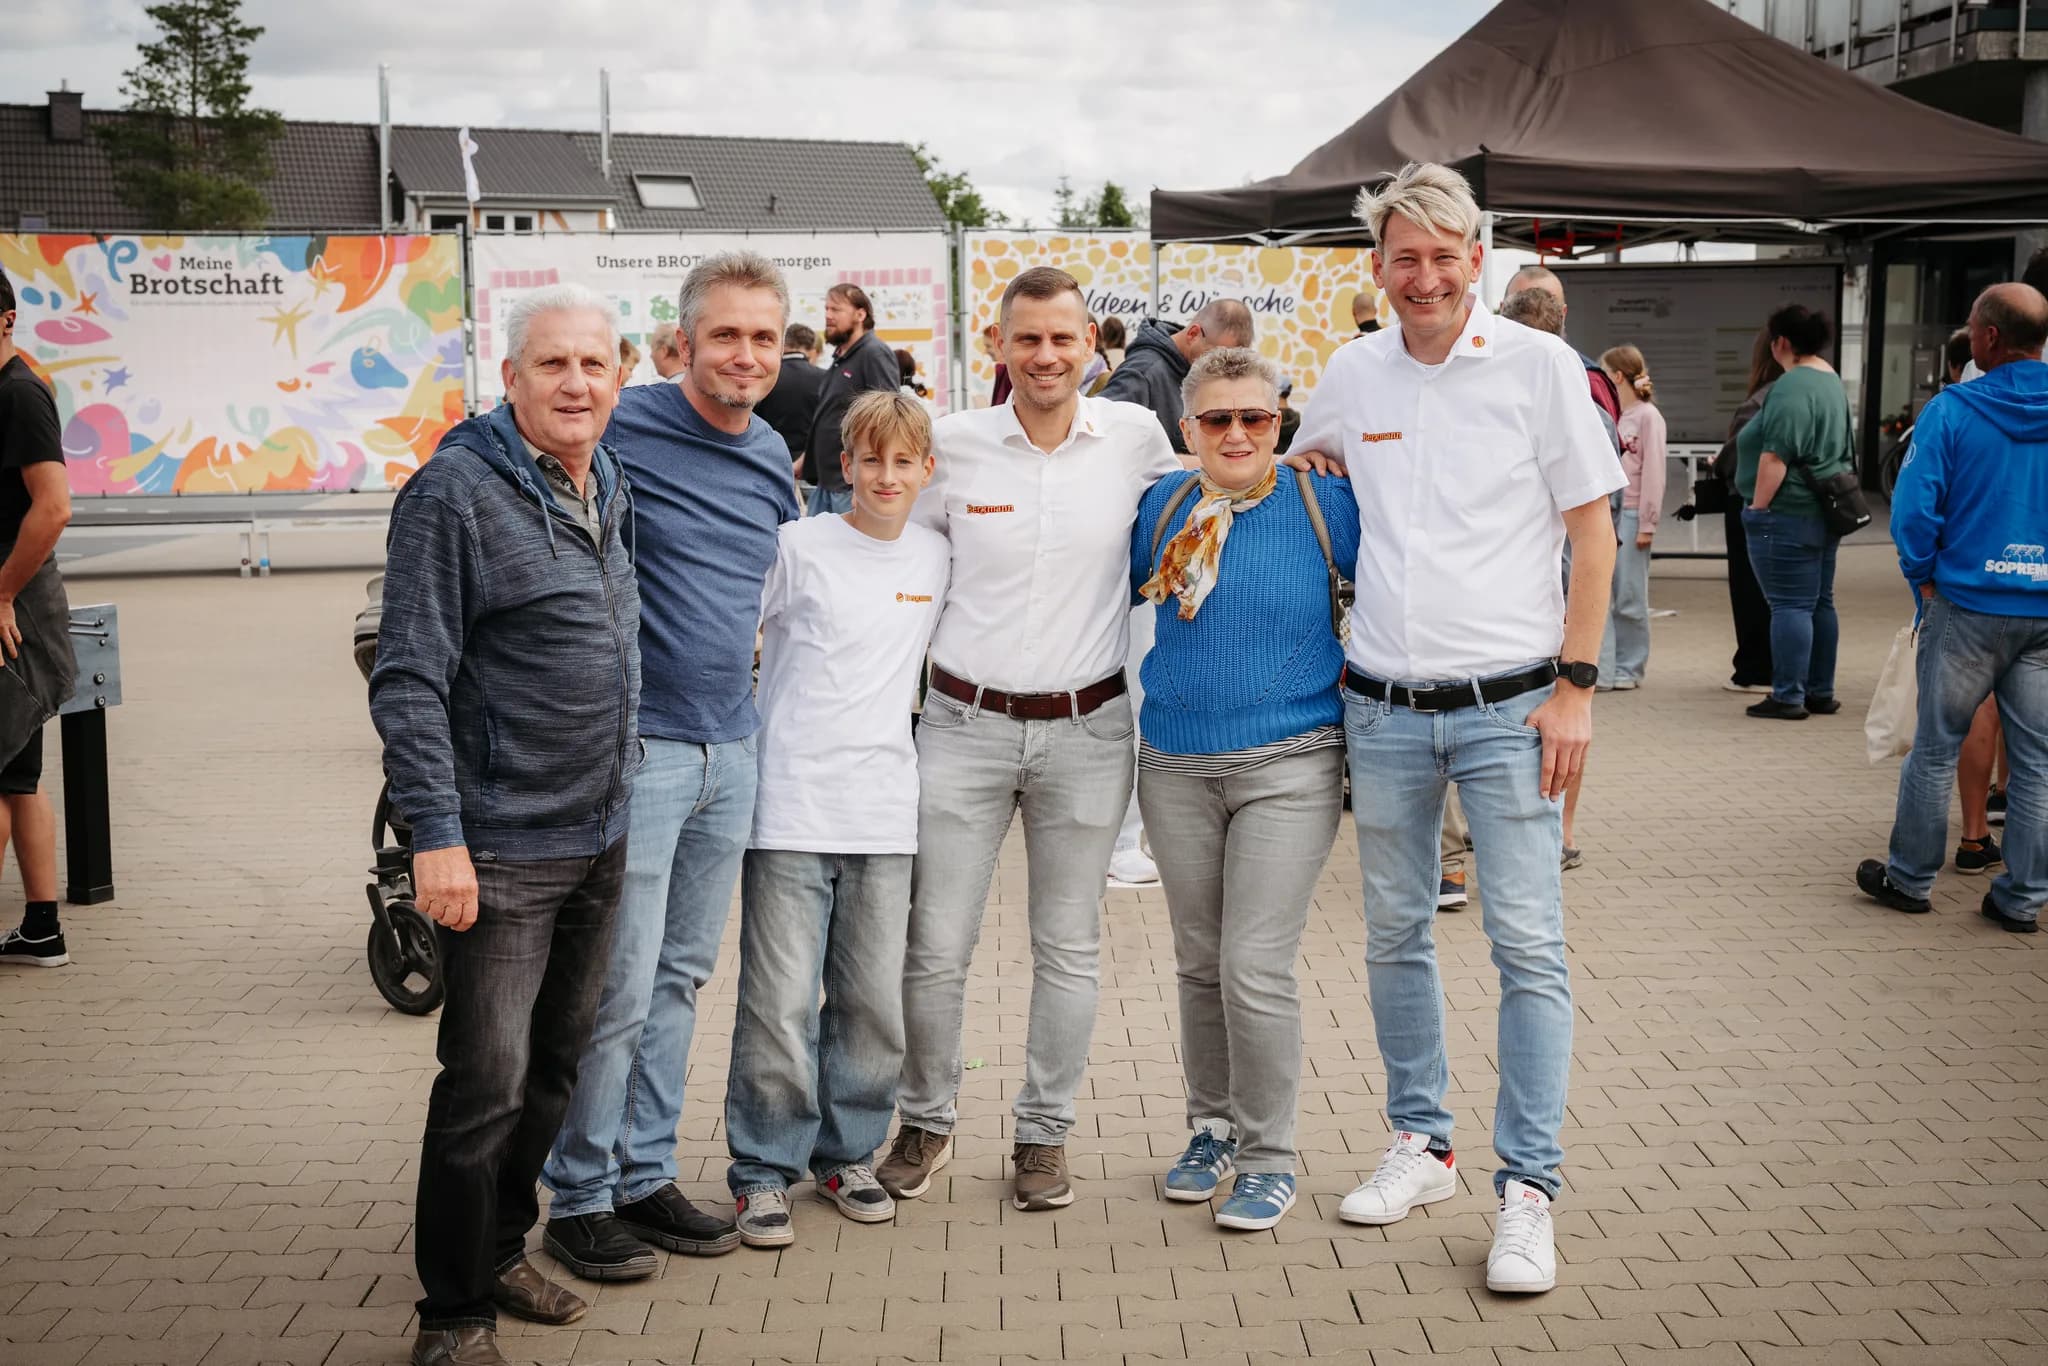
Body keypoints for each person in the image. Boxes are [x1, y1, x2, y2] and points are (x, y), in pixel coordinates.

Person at [1293, 162, 1622, 1296]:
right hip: (1379, 706)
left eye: (1443, 255)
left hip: (1511, 707)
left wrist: (1575, 686)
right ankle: (1420, 1145)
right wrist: (1307, 466)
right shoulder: (1350, 369)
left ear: (1474, 260)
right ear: (1377, 268)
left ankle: (1526, 1189)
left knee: (1525, 945)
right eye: (1403, 257)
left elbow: (1592, 537)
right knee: (1393, 934)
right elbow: (1297, 471)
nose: (1423, 276)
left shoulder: (1540, 370)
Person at [371, 284, 640, 1366]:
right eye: (553, 365)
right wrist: (435, 834)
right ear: (510, 378)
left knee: (553, 1068)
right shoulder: (453, 493)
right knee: (482, 1083)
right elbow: (407, 676)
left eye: (594, 364)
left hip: (599, 831)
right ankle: (451, 1316)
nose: (576, 383)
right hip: (499, 847)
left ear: (619, 375)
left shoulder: (601, 473)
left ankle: (500, 1250)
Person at [879, 266, 1182, 1212]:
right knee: (933, 945)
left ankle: (1043, 1135)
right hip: (963, 727)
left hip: (1088, 731)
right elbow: (898, 559)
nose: (1046, 357)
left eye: (1062, 339)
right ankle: (925, 1121)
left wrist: (1315, 455)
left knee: (1069, 948)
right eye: (1027, 341)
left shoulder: (1135, 438)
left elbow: (1213, 498)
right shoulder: (954, 446)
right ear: (998, 347)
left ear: (1093, 344)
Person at [542, 253, 801, 1282]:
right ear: (681, 343)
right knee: (617, 982)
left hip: (731, 746)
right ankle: (578, 1194)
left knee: (681, 977)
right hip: (640, 748)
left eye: (763, 337)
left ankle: (643, 1172)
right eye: (726, 335)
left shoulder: (771, 448)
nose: (745, 354)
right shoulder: (624, 421)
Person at [1133, 347, 1357, 1232]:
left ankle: (1269, 1157)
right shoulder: (1163, 505)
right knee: (1198, 962)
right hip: (1176, 763)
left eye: (1254, 418)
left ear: (1280, 422)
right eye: (1217, 419)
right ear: (1187, 429)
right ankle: (1212, 1128)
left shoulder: (1326, 502)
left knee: (1252, 966)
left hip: (1290, 762)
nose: (1236, 433)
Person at [725, 391, 949, 1247]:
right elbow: (732, 634)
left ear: (926, 472)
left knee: (866, 1003)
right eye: (869, 460)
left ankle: (847, 1152)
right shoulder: (797, 546)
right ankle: (762, 1171)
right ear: (841, 466)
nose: (885, 477)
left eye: (903, 462)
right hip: (788, 808)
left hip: (886, 811)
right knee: (779, 1002)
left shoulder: (935, 557)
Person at [1857, 282, 2048, 932]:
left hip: (1965, 603)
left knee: (1935, 749)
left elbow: (1914, 506)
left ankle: (1910, 881)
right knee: (2038, 760)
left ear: (1990, 337)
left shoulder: (1952, 411)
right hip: (2043, 612)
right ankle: (2022, 898)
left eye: (1972, 324)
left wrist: (1923, 579)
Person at [0, 267, 77, 970]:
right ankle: (42, 927)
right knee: (18, 775)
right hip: (13, 608)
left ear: (5, 319)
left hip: (11, 613)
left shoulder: (20, 393)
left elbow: (53, 508)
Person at [1736, 305, 1854, 721]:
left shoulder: (1791, 386)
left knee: (1789, 605)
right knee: (1820, 602)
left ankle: (1787, 694)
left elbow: (1775, 455)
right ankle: (1820, 691)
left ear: (1781, 342)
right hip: (1824, 509)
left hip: (1788, 510)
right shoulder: (1830, 380)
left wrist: (1757, 506)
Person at [1715, 331, 1782, 693]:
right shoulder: (1814, 391)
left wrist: (1720, 464)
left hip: (1750, 502)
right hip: (1792, 509)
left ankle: (1755, 667)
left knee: (1749, 587)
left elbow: (1738, 451)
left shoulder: (1760, 400)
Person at [1597, 345, 1666, 691]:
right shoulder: (1611, 413)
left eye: (1605, 370)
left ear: (1617, 376)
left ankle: (1631, 666)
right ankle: (1604, 670)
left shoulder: (1648, 416)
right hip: (1608, 512)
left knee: (1629, 596)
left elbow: (1655, 472)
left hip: (1633, 514)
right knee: (1601, 594)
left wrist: (1648, 523)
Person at [1101, 299, 1255, 453]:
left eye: (1230, 362)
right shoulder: (1144, 372)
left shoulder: (1195, 371)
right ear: (1193, 334)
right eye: (1216, 356)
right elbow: (1100, 433)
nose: (1221, 368)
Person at [806, 283, 900, 515]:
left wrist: (868, 485)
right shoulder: (843, 358)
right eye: (826, 309)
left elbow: (888, 419)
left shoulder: (873, 353)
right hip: (828, 484)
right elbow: (830, 416)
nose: (828, 316)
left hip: (849, 489)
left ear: (860, 314)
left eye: (836, 309)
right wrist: (804, 462)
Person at [754, 323, 829, 482]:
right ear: (810, 348)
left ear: (783, 345)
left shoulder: (764, 378)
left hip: (769, 463)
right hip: (812, 467)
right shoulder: (826, 379)